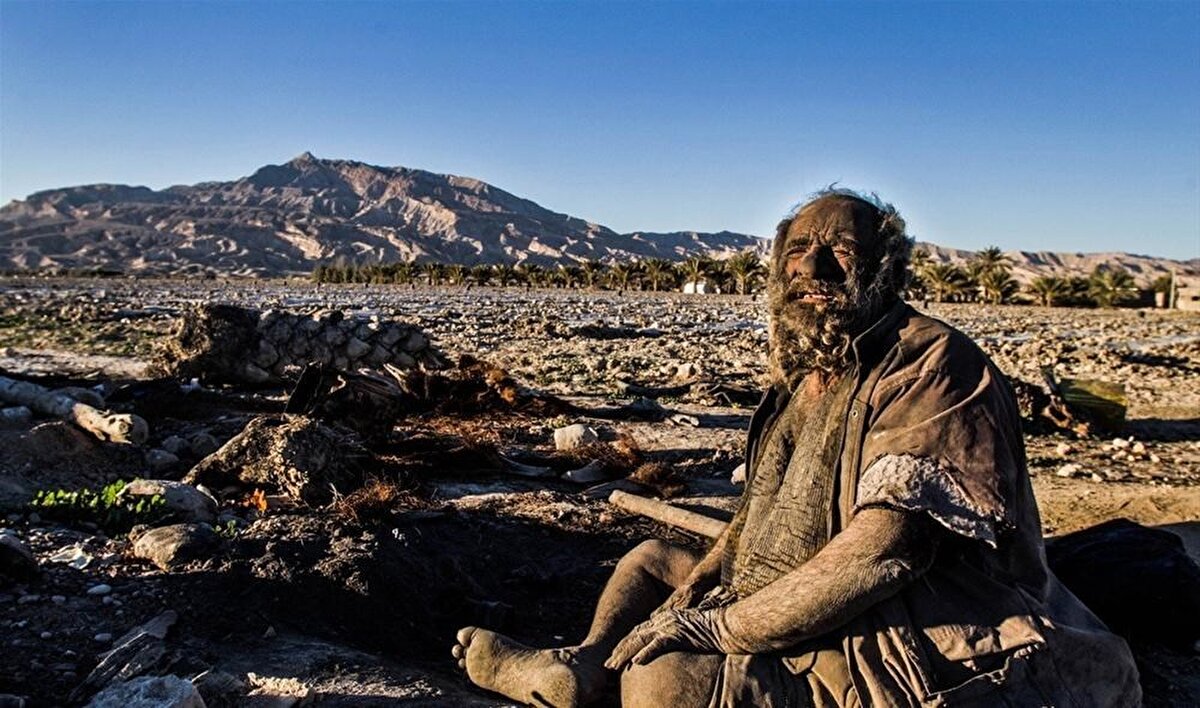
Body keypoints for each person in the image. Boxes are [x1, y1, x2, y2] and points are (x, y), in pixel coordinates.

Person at [452, 190, 1141, 707]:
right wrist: (699, 586)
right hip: (780, 589)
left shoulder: (930, 365)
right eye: (796, 253)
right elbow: (753, 517)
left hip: (907, 616)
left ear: (886, 267)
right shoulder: (802, 380)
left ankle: (613, 678)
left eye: (840, 251)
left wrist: (718, 628)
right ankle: (585, 665)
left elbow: (883, 554)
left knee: (666, 677)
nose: (814, 266)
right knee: (653, 560)